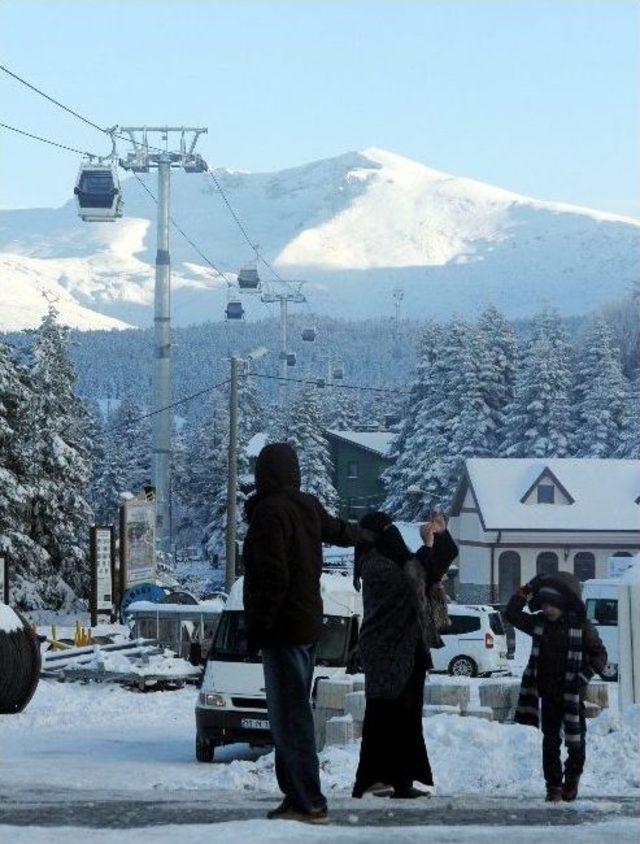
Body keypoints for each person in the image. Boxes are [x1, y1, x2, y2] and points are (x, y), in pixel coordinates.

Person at [241, 442, 372, 825]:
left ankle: (309, 802)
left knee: (290, 718)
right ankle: (296, 796)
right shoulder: (306, 505)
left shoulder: (270, 512)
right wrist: (370, 536)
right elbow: (340, 531)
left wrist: (258, 627)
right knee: (290, 714)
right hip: (307, 624)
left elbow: (272, 577)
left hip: (282, 629)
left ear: (264, 473)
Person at [352, 510, 458, 799]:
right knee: (384, 715)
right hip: (386, 650)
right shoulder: (373, 564)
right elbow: (414, 582)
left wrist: (440, 534)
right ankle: (373, 778)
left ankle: (400, 780)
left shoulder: (393, 561)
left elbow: (430, 568)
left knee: (405, 716)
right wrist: (426, 546)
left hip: (407, 648)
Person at [506, 574, 608, 803]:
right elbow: (511, 614)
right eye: (543, 604)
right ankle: (553, 786)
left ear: (562, 604)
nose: (547, 609)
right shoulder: (539, 623)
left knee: (576, 742)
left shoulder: (581, 627)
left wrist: (582, 677)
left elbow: (600, 655)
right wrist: (526, 591)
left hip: (573, 695)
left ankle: (571, 779)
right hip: (548, 695)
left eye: (551, 604)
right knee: (550, 743)